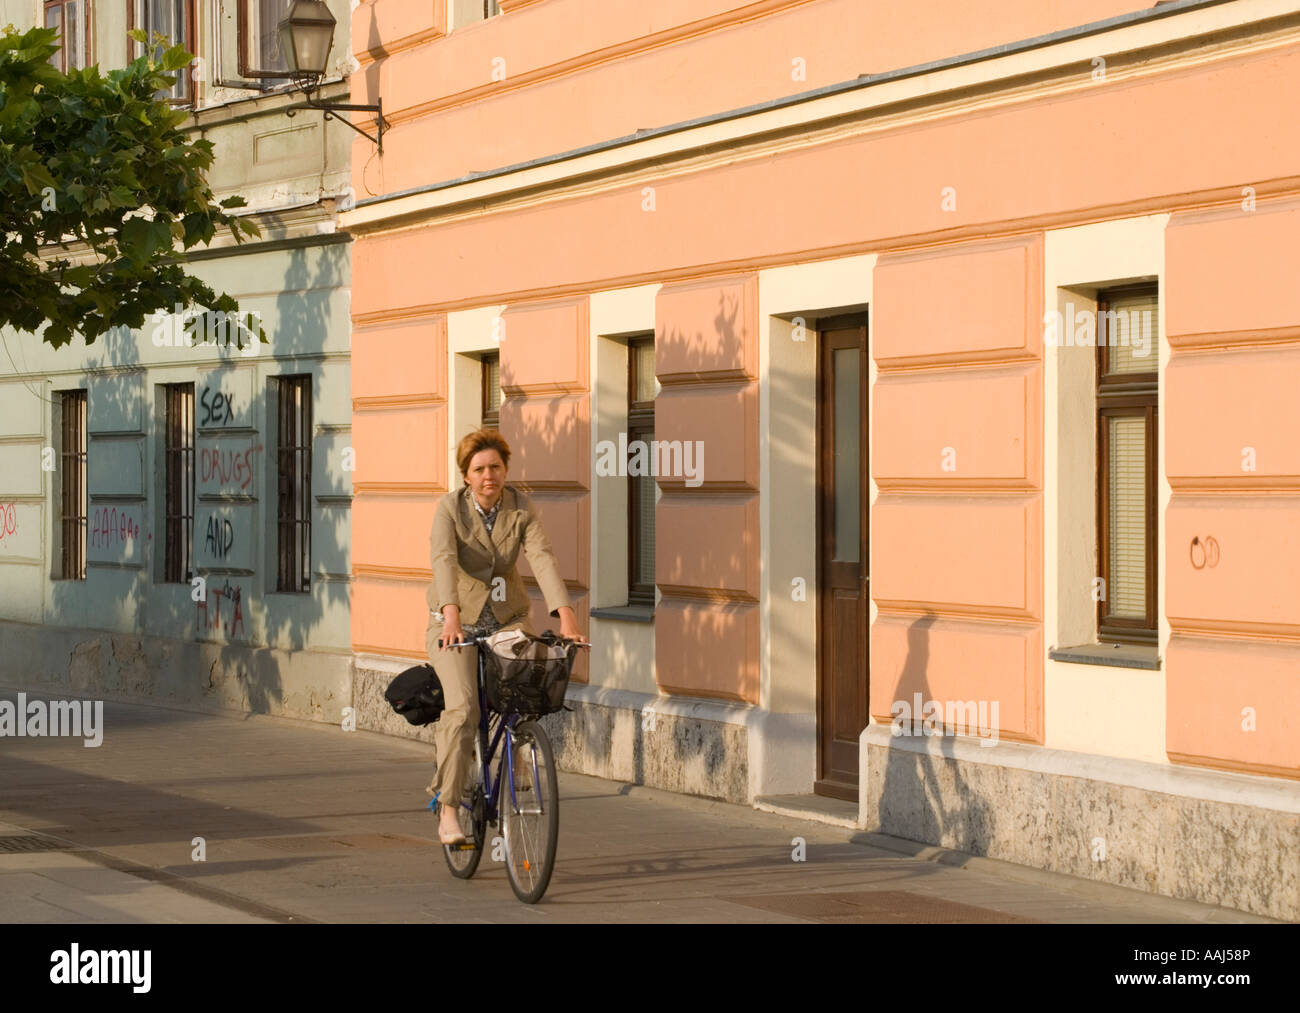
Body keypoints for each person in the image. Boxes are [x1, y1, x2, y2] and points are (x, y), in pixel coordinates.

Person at [425, 428, 585, 844]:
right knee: (463, 712)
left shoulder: (520, 507)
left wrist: (565, 616)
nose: (488, 475)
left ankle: (519, 753)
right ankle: (448, 809)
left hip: (506, 619)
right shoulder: (449, 510)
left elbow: (543, 557)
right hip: (452, 624)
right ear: (466, 476)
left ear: (505, 469)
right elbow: (443, 561)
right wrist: (451, 616)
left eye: (495, 467)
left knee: (528, 683)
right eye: (478, 469)